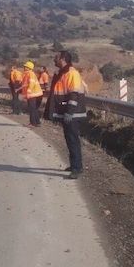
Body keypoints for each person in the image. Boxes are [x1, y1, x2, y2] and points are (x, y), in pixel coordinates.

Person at [47, 50, 88, 179]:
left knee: (73, 140)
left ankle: (77, 168)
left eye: (56, 57)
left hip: (73, 114)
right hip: (67, 113)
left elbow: (73, 94)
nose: (54, 60)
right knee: (69, 140)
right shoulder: (62, 73)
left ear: (63, 59)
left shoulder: (72, 73)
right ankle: (74, 165)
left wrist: (69, 112)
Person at [15, 61, 43, 126]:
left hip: (32, 94)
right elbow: (25, 84)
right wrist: (18, 89)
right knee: (34, 108)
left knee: (32, 108)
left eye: (26, 66)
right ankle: (37, 122)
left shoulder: (30, 74)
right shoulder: (26, 74)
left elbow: (31, 83)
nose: (24, 67)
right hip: (33, 94)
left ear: (29, 68)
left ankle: (33, 123)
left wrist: (28, 91)